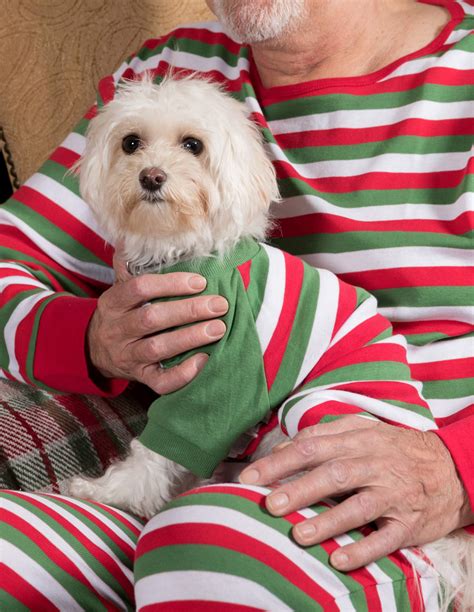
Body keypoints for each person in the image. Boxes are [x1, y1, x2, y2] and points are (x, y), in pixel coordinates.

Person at [0, 0, 472, 609]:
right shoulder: (166, 75)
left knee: (209, 553)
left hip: (413, 521)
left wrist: (457, 472)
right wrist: (93, 340)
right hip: (199, 482)